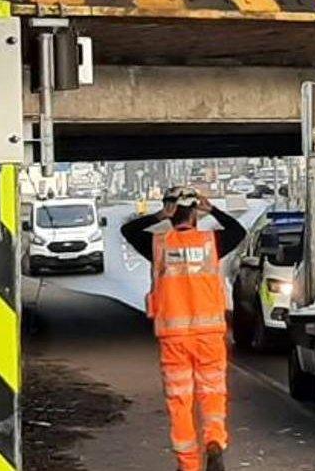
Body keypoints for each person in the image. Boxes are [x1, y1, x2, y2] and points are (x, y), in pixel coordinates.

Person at [121, 187, 246, 471]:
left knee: (180, 400)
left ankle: (187, 465)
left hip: (174, 337)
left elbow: (128, 230)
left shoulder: (159, 245)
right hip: (209, 335)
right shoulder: (211, 241)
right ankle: (214, 442)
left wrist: (159, 214)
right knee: (213, 392)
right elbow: (238, 231)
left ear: (170, 212)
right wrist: (212, 209)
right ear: (194, 213)